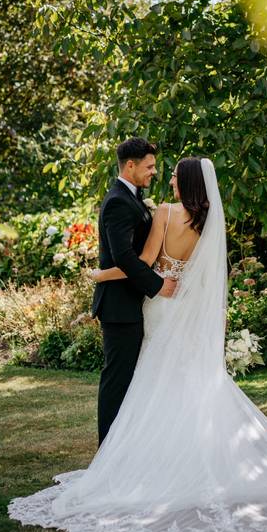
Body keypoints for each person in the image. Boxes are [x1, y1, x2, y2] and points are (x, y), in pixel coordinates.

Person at [9, 157, 267, 532]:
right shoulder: (210, 222)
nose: (170, 181)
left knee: (153, 383)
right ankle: (193, 458)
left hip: (161, 308)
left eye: (177, 177)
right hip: (186, 309)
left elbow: (142, 264)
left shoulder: (163, 212)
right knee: (185, 383)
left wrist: (98, 275)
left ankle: (151, 465)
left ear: (189, 183)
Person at [91, 137, 177, 447]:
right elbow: (123, 256)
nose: (154, 172)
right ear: (131, 165)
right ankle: (107, 455)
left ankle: (123, 451)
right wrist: (157, 286)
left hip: (129, 303)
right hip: (119, 306)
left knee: (130, 381)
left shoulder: (133, 198)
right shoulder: (118, 201)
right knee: (117, 382)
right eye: (150, 166)